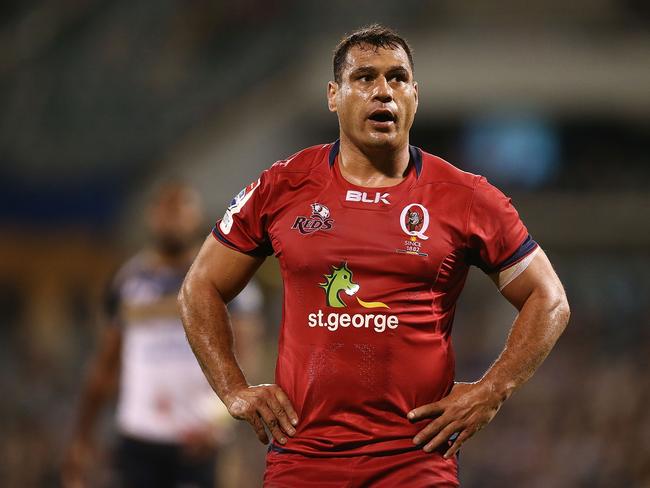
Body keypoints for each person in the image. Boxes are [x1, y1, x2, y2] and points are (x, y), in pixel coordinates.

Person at [178, 24, 570, 487]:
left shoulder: (465, 198)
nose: (383, 91)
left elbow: (549, 299)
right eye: (364, 78)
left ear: (415, 96)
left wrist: (493, 390)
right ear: (333, 95)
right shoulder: (280, 187)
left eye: (397, 78)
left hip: (416, 461)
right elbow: (199, 286)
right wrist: (233, 390)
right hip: (303, 457)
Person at [63, 181, 263, 488]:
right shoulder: (129, 281)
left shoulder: (225, 276)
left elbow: (248, 355)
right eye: (166, 209)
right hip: (139, 436)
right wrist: (81, 436)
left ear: (196, 216)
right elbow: (105, 364)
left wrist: (218, 421)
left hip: (197, 438)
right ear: (151, 216)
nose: (173, 218)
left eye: (181, 208)